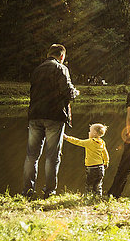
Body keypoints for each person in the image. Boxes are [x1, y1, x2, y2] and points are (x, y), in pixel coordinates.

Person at [22, 44, 79, 199]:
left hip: (35, 115)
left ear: (49, 54)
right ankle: (49, 192)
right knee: (52, 156)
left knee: (31, 156)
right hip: (54, 116)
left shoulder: (37, 69)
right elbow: (68, 92)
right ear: (61, 56)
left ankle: (27, 191)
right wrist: (75, 92)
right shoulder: (61, 69)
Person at [64, 123, 110, 196]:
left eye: (90, 131)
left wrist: (67, 138)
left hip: (91, 168)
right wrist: (106, 162)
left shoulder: (90, 142)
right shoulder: (102, 142)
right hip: (101, 167)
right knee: (98, 185)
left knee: (89, 184)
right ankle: (98, 198)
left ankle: (88, 197)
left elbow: (78, 141)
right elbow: (105, 153)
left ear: (94, 133)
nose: (89, 132)